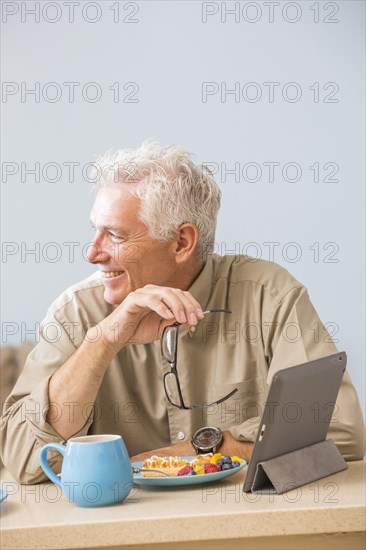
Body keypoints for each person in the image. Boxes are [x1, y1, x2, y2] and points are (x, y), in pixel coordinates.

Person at [1, 142, 364, 484]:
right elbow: (25, 460)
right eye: (94, 231)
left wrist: (182, 456)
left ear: (181, 242)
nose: (92, 254)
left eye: (113, 235)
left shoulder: (269, 296)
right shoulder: (77, 311)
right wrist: (103, 341)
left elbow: (341, 431)